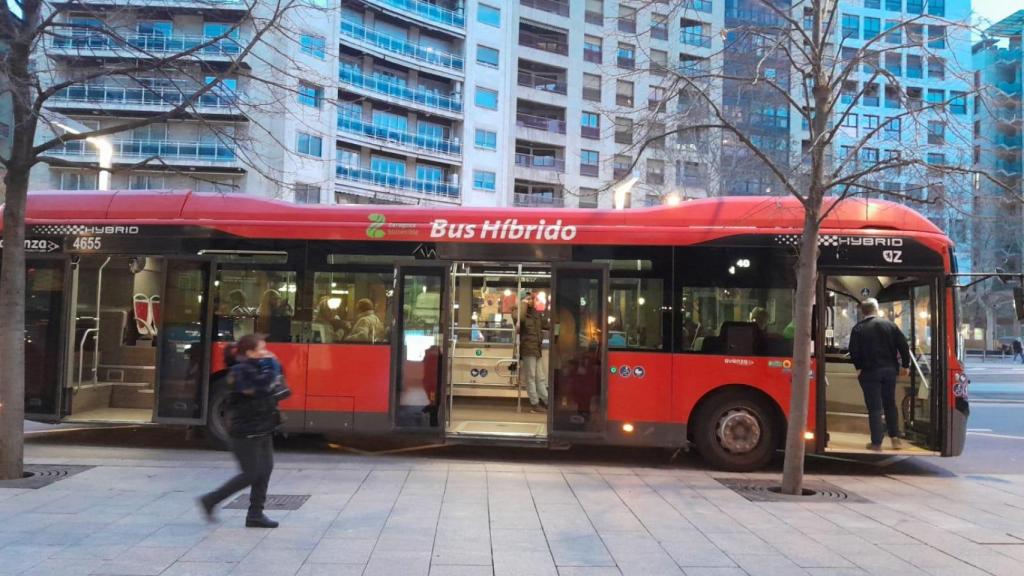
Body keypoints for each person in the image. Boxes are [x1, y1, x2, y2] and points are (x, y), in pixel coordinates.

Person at [199, 334, 283, 528]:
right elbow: (261, 388)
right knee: (251, 473)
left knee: (265, 469)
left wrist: (273, 368)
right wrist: (272, 366)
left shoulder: (259, 367)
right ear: (250, 352)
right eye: (262, 349)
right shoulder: (240, 371)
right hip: (245, 431)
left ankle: (255, 514)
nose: (266, 353)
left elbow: (274, 385)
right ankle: (210, 500)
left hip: (263, 427)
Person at [849, 298, 911, 452]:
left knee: (875, 408)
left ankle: (876, 443)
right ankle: (895, 438)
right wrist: (905, 365)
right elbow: (903, 345)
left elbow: (853, 350)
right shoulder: (890, 325)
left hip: (869, 372)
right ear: (876, 309)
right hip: (889, 371)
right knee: (890, 403)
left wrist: (858, 367)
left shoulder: (858, 328)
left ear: (862, 311)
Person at [519, 291, 550, 413]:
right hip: (528, 349)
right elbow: (520, 319)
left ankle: (547, 401)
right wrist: (523, 304)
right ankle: (534, 403)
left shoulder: (536, 314)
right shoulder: (518, 312)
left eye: (532, 299)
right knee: (531, 377)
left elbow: (546, 325)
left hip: (537, 349)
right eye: (529, 299)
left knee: (540, 377)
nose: (531, 301)